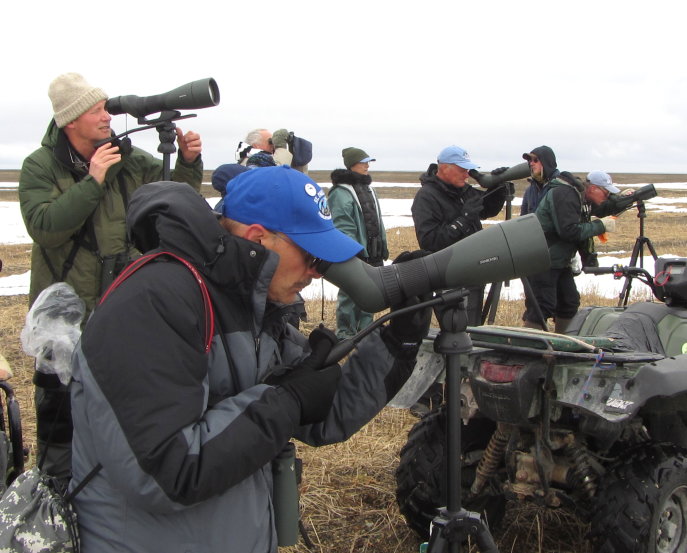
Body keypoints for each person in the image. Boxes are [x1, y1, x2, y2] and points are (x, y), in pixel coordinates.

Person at [68, 166, 432, 553]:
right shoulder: (153, 301)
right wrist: (286, 399)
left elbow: (325, 411)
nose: (315, 271)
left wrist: (399, 338)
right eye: (310, 254)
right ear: (258, 238)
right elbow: (165, 471)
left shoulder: (253, 307)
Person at [18, 72, 203, 479]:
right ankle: (53, 502)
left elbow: (171, 196)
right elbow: (45, 226)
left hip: (117, 307)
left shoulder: (126, 160)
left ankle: (107, 491)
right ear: (71, 121)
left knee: (116, 409)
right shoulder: (40, 166)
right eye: (96, 110)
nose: (108, 116)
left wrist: (189, 163)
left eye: (105, 107)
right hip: (61, 318)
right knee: (58, 424)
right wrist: (93, 180)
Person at [521, 146, 615, 333]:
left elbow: (597, 209)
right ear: (594, 189)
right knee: (541, 306)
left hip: (557, 260)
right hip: (542, 258)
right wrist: (600, 226)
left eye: (535, 160)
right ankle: (530, 350)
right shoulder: (564, 193)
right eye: (606, 193)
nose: (607, 198)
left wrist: (629, 199)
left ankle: (563, 345)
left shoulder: (572, 192)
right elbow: (568, 231)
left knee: (568, 302)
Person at [411, 145, 505, 325]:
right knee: (457, 331)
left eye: (468, 170)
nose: (467, 174)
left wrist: (498, 186)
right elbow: (430, 242)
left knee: (473, 328)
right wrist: (464, 219)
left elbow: (489, 209)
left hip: (474, 271)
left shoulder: (463, 190)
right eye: (462, 169)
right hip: (449, 277)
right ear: (444, 167)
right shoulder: (426, 197)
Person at [328, 147, 389, 339]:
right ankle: (345, 333)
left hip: (373, 252)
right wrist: (353, 251)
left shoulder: (369, 189)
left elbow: (378, 221)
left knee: (370, 291)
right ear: (352, 164)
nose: (367, 166)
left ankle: (365, 331)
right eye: (363, 162)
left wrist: (382, 247)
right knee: (349, 293)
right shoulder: (340, 192)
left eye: (367, 162)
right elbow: (342, 224)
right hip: (354, 253)